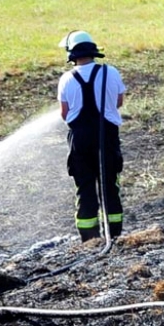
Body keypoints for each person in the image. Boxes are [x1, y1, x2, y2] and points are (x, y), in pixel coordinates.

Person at [57, 30, 127, 241]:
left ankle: (89, 238)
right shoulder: (111, 72)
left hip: (80, 142)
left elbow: (64, 113)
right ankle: (113, 235)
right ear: (93, 50)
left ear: (72, 53)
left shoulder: (66, 80)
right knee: (110, 188)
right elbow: (119, 102)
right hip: (107, 138)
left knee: (84, 188)